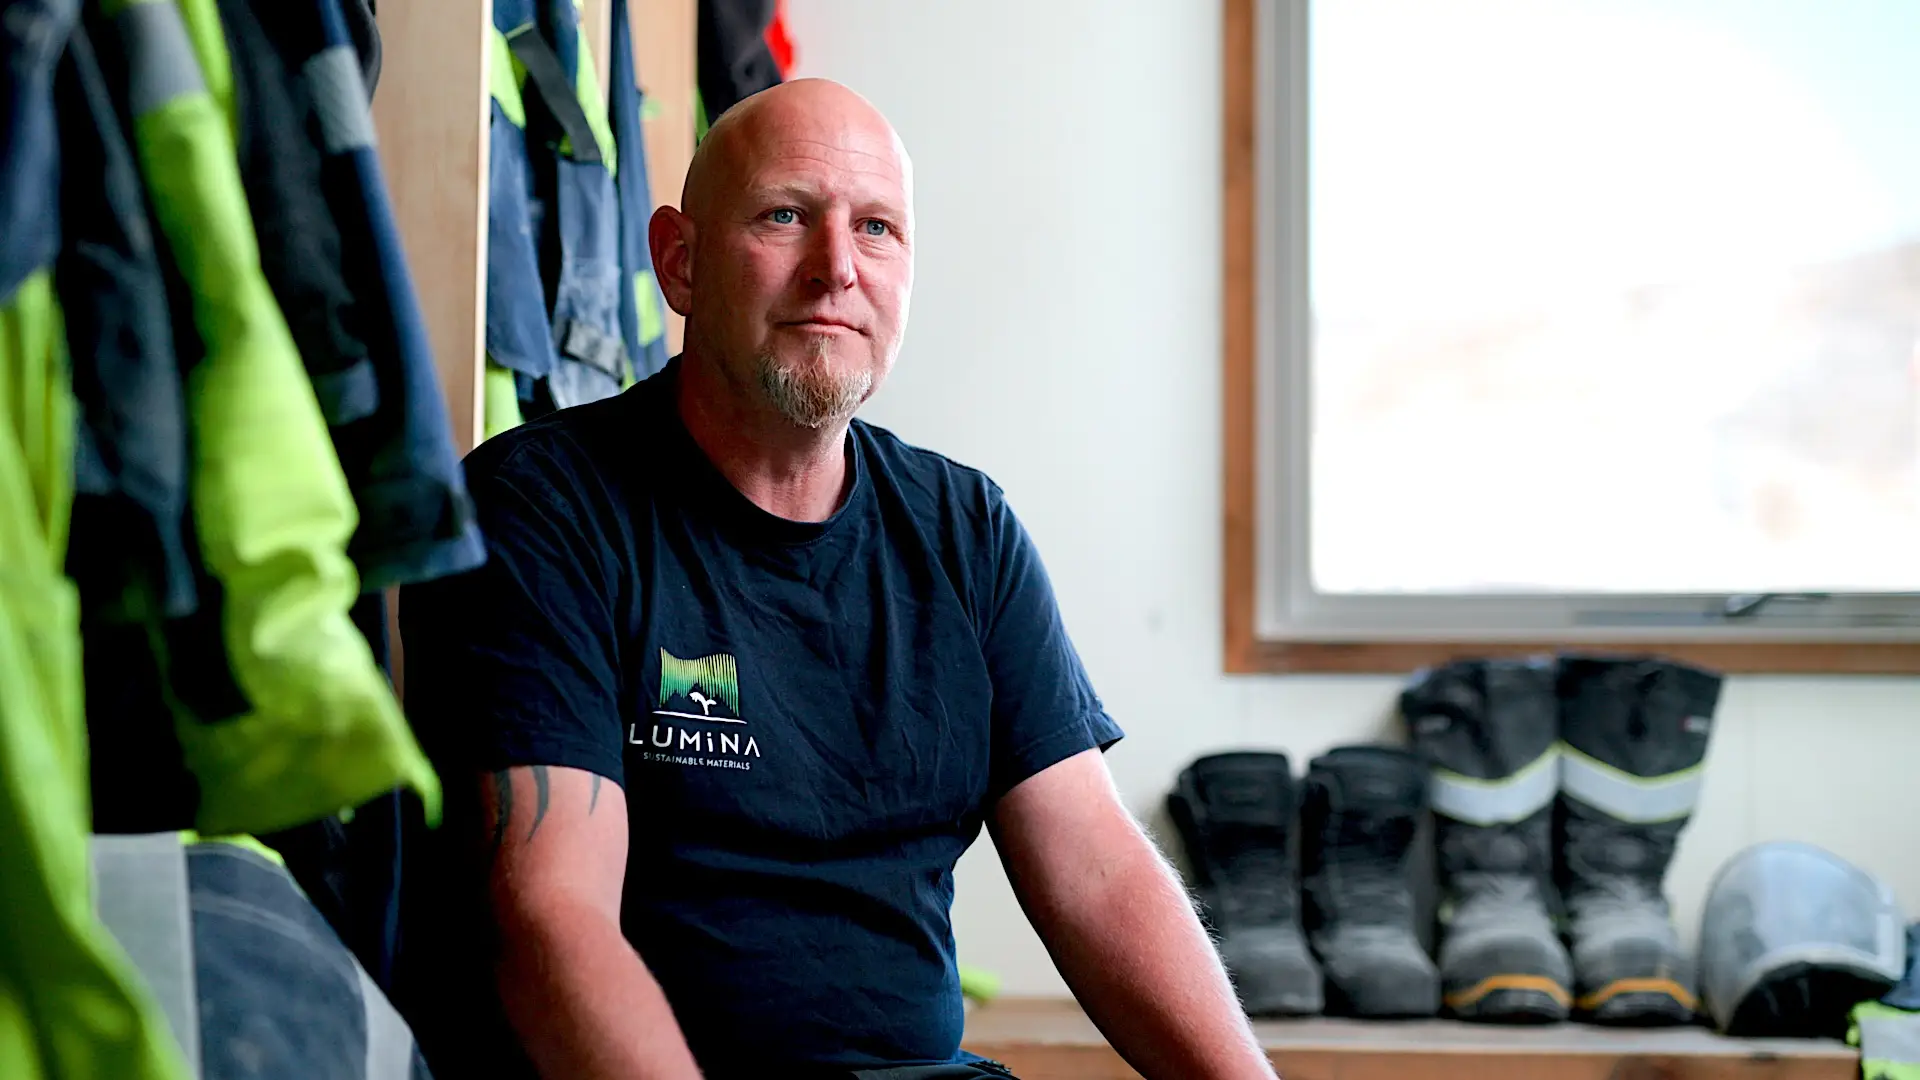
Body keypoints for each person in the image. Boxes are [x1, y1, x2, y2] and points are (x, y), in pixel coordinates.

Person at [399, 77, 1278, 1080]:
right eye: (785, 216)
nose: (836, 271)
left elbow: (1099, 874)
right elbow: (549, 917)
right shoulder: (542, 508)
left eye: (877, 230)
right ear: (679, 263)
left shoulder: (964, 530)